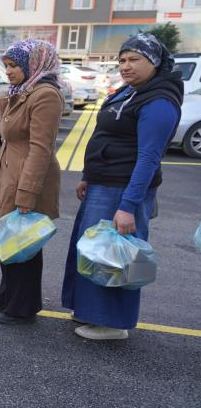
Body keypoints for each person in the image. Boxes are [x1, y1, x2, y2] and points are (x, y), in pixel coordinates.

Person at [61, 33, 183, 340]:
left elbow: (148, 158)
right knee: (93, 251)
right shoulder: (130, 91)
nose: (125, 66)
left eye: (134, 60)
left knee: (115, 257)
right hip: (104, 184)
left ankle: (112, 324)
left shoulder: (159, 101)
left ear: (154, 62)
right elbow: (105, 133)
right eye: (122, 60)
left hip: (123, 189)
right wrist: (89, 173)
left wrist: (128, 206)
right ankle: (90, 312)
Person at [0, 40, 64, 325]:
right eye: (6, 65)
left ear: (35, 64)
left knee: (25, 244)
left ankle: (23, 307)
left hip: (27, 179)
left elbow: (40, 148)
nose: (8, 71)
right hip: (10, 176)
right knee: (10, 238)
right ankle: (8, 295)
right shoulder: (23, 92)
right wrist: (11, 96)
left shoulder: (45, 95)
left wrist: (27, 193)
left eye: (15, 65)